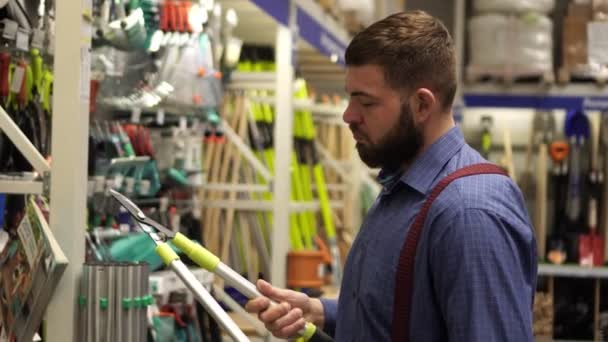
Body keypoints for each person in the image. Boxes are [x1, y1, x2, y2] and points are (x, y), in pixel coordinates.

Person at [246, 10, 537, 341]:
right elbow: (410, 318)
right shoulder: (402, 189)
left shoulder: (470, 213)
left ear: (421, 105)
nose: (348, 115)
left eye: (366, 103)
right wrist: (322, 313)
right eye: (350, 98)